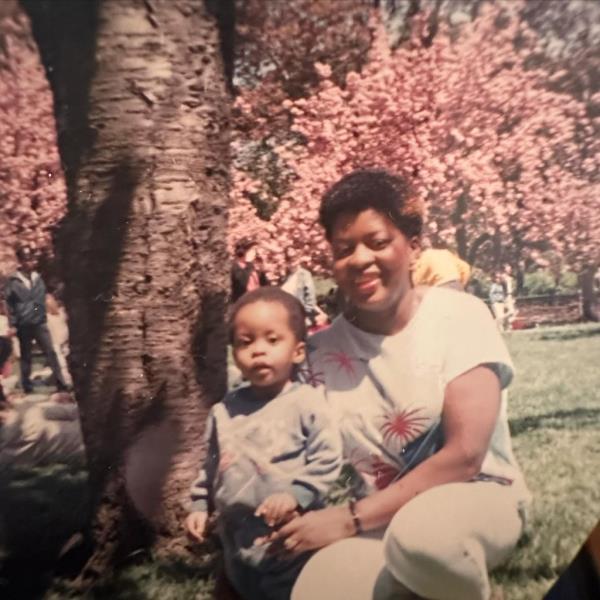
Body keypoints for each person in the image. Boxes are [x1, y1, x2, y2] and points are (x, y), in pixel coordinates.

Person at [261, 169, 530, 600]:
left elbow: (465, 456)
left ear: (413, 246)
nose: (361, 259)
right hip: (376, 523)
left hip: (476, 501)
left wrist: (349, 518)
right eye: (344, 248)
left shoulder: (459, 315)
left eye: (378, 242)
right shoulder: (315, 353)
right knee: (318, 589)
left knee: (425, 541)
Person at [186, 287, 342, 600]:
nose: (258, 350)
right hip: (237, 539)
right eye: (246, 342)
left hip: (290, 538)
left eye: (272, 340)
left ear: (298, 351)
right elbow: (212, 465)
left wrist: (296, 496)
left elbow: (328, 458)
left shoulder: (307, 403)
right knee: (239, 586)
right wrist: (201, 504)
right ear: (234, 353)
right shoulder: (224, 410)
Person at [4, 247, 69, 393]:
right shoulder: (14, 281)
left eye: (31, 259)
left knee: (50, 352)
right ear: (20, 261)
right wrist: (13, 323)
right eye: (26, 259)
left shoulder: (37, 278)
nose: (29, 262)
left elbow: (39, 299)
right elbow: (9, 304)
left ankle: (61, 383)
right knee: (26, 355)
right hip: (22, 324)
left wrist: (36, 314)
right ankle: (27, 385)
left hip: (39, 323)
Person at [231, 238, 269, 303]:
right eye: (252, 250)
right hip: (246, 303)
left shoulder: (252, 266)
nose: (255, 252)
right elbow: (241, 284)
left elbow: (263, 284)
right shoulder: (236, 268)